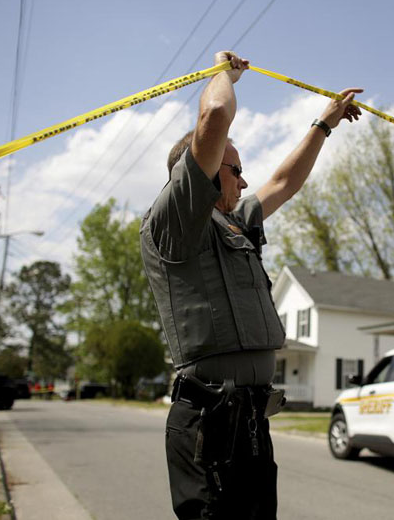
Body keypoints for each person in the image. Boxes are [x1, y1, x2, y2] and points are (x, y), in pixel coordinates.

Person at [140, 50, 362, 519]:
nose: (244, 182)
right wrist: (225, 74)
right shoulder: (173, 220)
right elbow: (215, 113)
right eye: (234, 169)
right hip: (207, 421)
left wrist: (324, 123)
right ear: (198, 167)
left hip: (252, 422)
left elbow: (284, 181)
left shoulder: (235, 222)